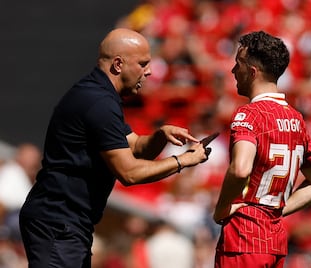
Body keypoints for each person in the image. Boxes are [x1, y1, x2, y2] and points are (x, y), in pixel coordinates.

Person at [19, 28, 210, 268]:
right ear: (118, 64)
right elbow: (129, 173)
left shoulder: (99, 96)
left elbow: (137, 147)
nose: (149, 71)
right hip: (58, 221)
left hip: (65, 221)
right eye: (143, 64)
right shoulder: (97, 102)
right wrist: (182, 161)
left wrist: (160, 136)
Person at [213, 31, 311, 268]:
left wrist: (221, 209)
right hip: (275, 239)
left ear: (253, 72)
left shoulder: (249, 114)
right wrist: (275, 210)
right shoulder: (296, 119)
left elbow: (240, 169)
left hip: (243, 239)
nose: (233, 71)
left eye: (238, 64)